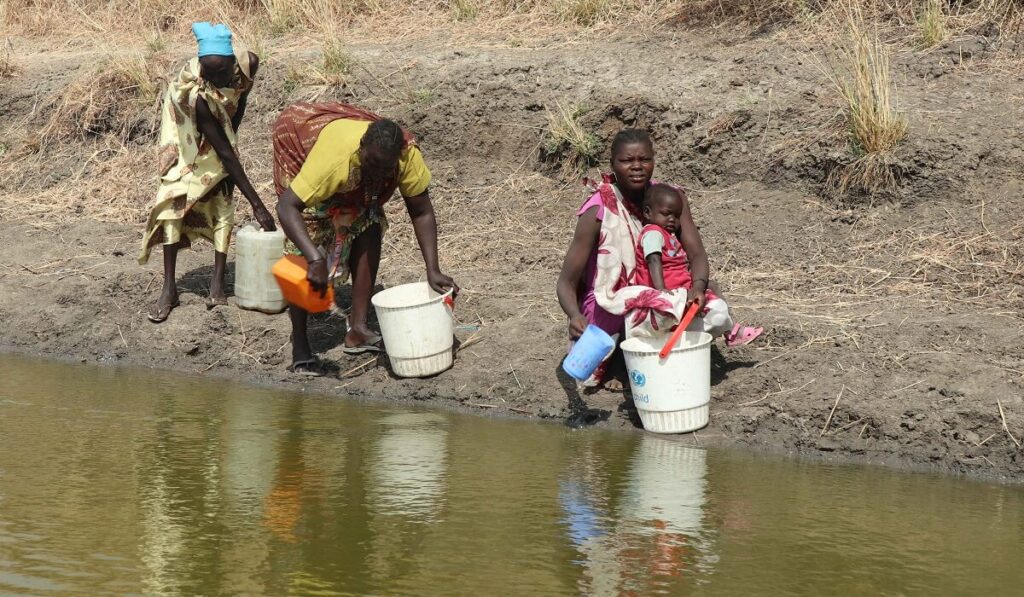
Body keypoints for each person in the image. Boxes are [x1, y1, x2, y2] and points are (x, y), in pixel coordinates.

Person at [556, 129, 760, 387]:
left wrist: (697, 288)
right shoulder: (599, 208)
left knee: (713, 303)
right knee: (612, 329)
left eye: (644, 159)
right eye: (627, 161)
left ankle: (656, 351)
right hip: (613, 301)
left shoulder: (669, 199)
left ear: (654, 160)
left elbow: (696, 253)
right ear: (613, 165)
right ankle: (624, 357)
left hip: (662, 290)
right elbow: (566, 281)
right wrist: (574, 316)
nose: (637, 167)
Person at [273, 102, 457, 374]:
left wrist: (433, 269)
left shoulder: (407, 157)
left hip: (346, 169)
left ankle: (357, 329)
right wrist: (314, 258)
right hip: (299, 142)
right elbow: (287, 207)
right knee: (302, 253)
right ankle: (301, 345)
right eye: (371, 164)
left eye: (386, 169)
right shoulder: (334, 161)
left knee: (370, 224)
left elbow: (421, 211)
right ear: (362, 147)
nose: (378, 174)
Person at [139, 22, 276, 323]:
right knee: (174, 203)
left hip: (218, 131)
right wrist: (258, 205)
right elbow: (225, 153)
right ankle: (169, 288)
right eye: (208, 73)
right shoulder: (197, 93)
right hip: (183, 135)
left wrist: (232, 128)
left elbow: (239, 101)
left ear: (231, 61)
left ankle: (217, 283)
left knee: (223, 198)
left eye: (220, 73)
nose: (214, 79)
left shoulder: (249, 62)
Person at [635, 183, 761, 343]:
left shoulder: (667, 235)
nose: (672, 220)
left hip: (678, 285)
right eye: (666, 214)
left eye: (676, 216)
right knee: (712, 298)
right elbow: (653, 260)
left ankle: (730, 330)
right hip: (669, 289)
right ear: (647, 212)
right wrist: (661, 291)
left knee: (712, 285)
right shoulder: (653, 232)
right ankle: (730, 330)